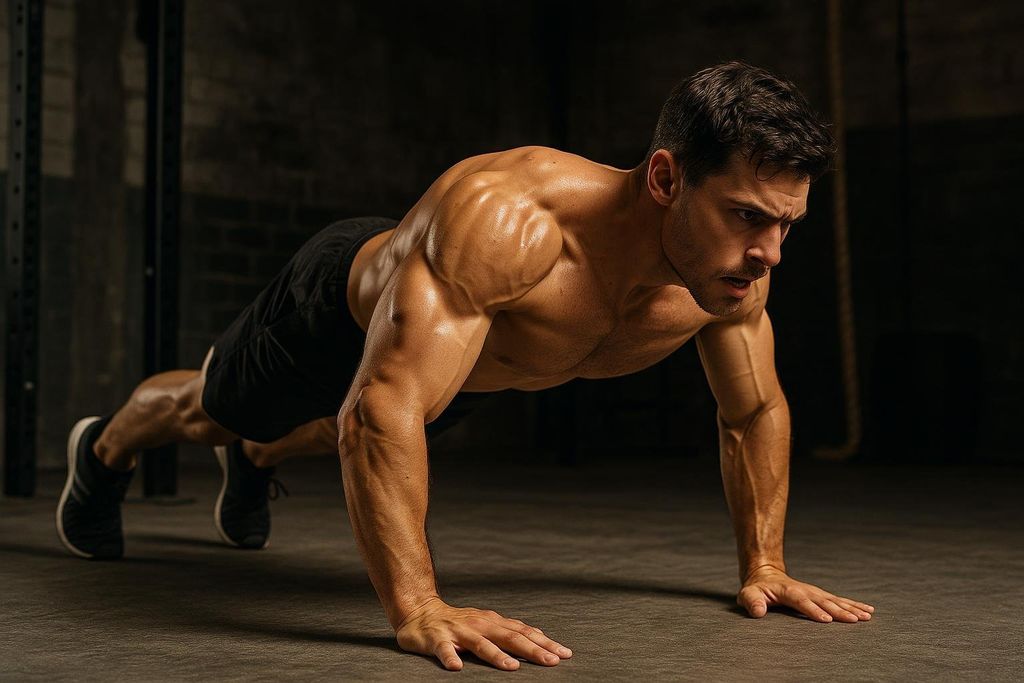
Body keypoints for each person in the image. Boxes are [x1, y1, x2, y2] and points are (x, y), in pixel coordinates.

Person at [56, 61, 875, 672]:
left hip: (462, 361)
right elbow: (376, 410)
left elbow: (754, 411)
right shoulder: (509, 220)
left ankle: (260, 458)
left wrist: (764, 563)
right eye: (745, 217)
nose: (768, 253)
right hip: (334, 312)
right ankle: (103, 450)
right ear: (666, 177)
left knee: (335, 433)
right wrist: (417, 606)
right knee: (215, 412)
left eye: (784, 225)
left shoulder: (727, 278)